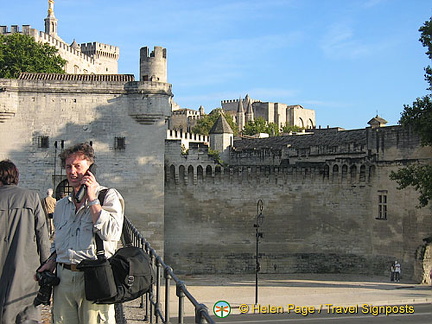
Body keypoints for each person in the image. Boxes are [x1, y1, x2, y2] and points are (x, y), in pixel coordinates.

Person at [38, 143, 124, 324]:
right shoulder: (61, 205)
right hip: (63, 279)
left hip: (93, 277)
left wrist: (92, 199)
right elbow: (60, 241)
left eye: (78, 166)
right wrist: (51, 261)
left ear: (90, 170)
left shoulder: (108, 197)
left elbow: (112, 233)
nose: (72, 171)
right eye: (69, 166)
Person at [0, 159, 51, 324]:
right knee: (27, 316)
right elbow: (43, 236)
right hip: (27, 270)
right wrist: (46, 267)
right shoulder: (32, 197)